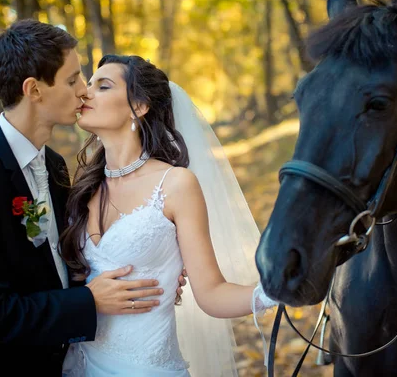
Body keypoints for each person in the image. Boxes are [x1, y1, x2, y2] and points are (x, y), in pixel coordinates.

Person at [0, 20, 185, 377]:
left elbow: (59, 263)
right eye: (72, 80)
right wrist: (88, 301)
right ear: (34, 90)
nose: (84, 91)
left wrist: (155, 268)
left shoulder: (52, 165)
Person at [60, 54, 279, 377]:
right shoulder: (81, 188)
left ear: (140, 105)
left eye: (102, 86)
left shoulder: (175, 184)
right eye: (87, 84)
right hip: (77, 366)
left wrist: (274, 292)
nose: (85, 93)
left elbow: (212, 294)